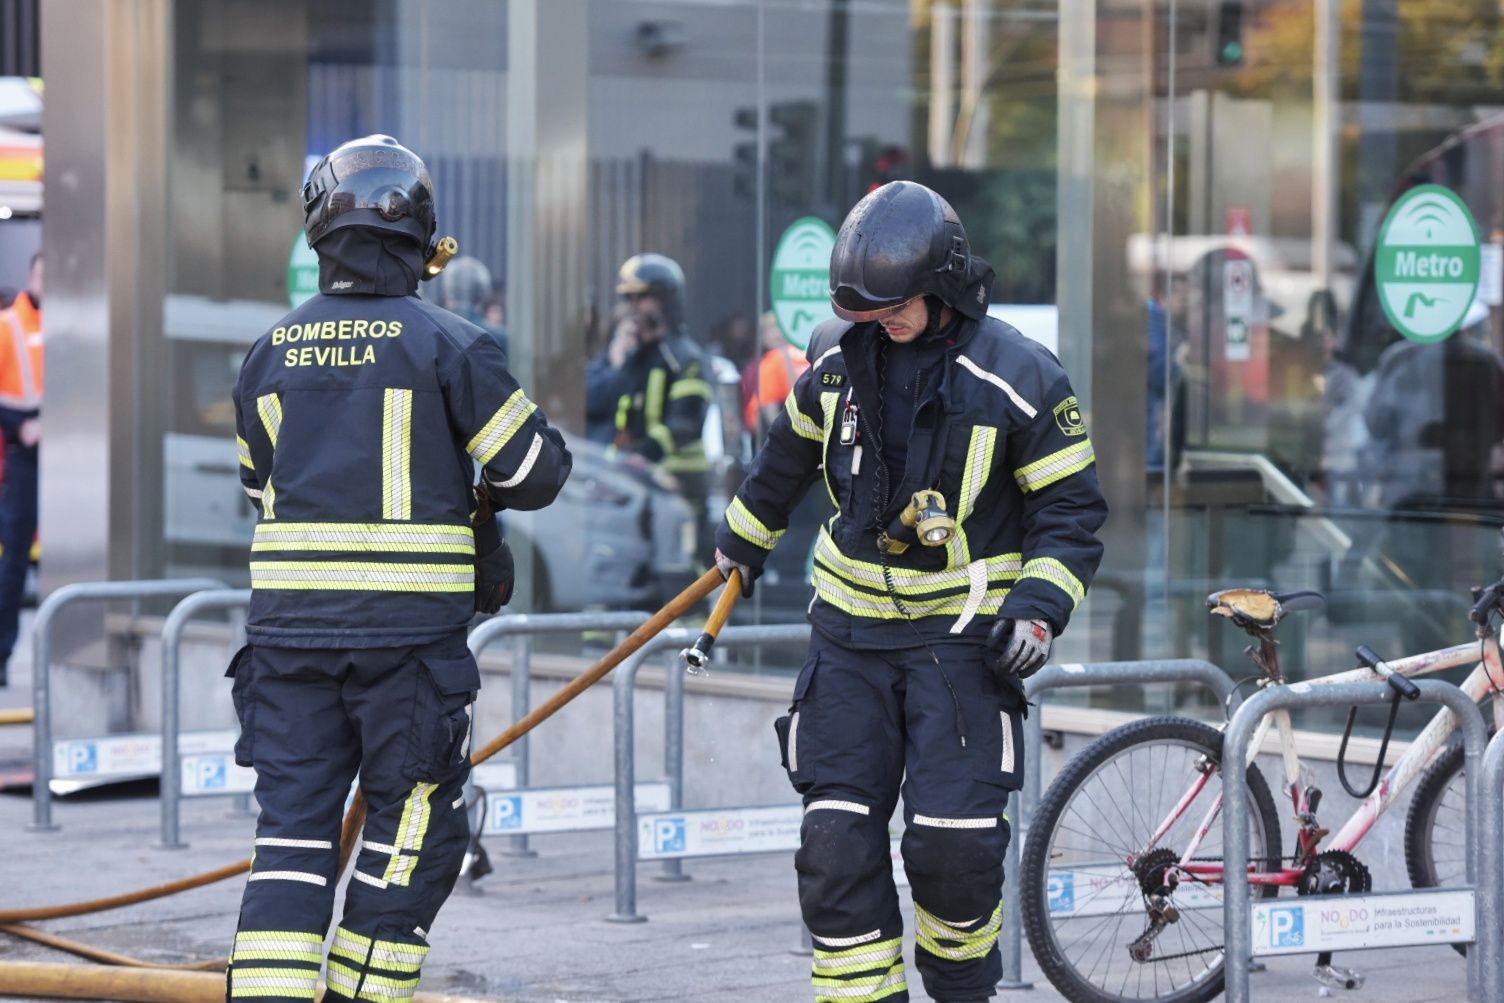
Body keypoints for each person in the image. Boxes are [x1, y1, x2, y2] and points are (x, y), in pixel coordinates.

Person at [713, 181, 1107, 1002]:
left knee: (953, 850)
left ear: (946, 290)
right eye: (862, 310)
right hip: (847, 649)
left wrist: (1038, 610)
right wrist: (740, 546)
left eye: (892, 308)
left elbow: (1069, 512)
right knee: (834, 848)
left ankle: (961, 989)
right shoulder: (836, 357)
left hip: (962, 654)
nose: (875, 323)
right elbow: (783, 463)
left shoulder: (1020, 376)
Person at [227, 135, 571, 1002]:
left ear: (319, 231)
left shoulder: (268, 353)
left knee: (294, 839)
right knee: (411, 829)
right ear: (424, 240)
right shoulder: (451, 345)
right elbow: (535, 475)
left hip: (286, 645)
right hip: (405, 650)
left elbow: (255, 484)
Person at [585, 253, 713, 550]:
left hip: (679, 486)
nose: (632, 307)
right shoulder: (634, 356)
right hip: (637, 486)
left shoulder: (684, 357)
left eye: (641, 298)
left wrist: (637, 459)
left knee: (682, 575)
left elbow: (685, 424)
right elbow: (607, 408)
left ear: (665, 301)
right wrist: (618, 358)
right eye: (627, 299)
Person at [0, 251, 42, 687]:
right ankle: (1, 658)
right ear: (30, 276)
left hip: (67, 453)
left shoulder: (65, 324)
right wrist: (21, 427)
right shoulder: (8, 325)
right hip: (24, 453)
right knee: (13, 564)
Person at [742, 310, 810, 433]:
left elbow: (770, 406)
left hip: (783, 428)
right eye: (769, 330)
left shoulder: (774, 360)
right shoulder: (765, 361)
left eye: (778, 328)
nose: (775, 334)